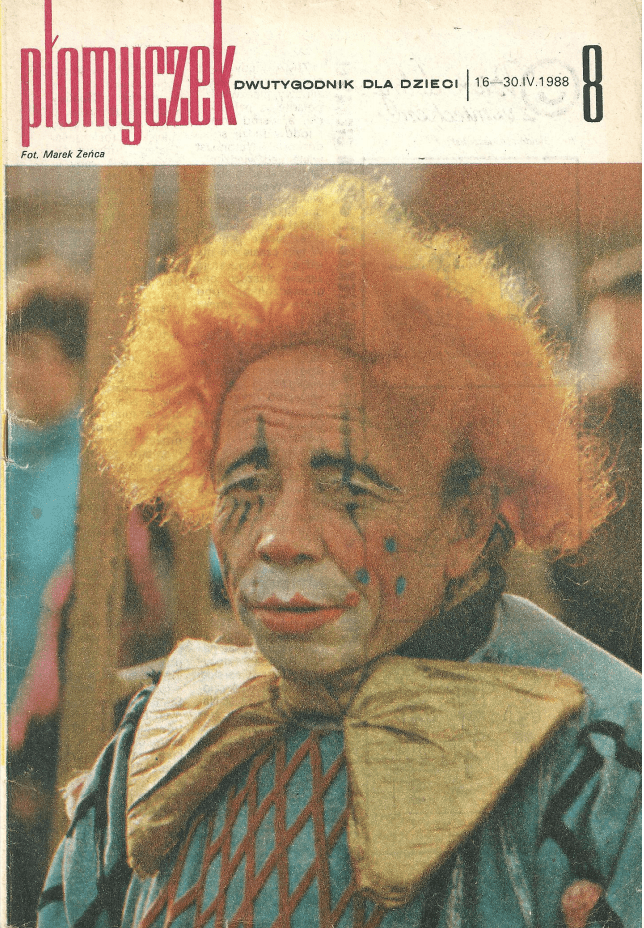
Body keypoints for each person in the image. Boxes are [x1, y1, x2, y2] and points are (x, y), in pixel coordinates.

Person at [37, 179, 640, 928]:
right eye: (246, 486)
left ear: (465, 523)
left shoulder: (608, 759)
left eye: (347, 489)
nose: (279, 537)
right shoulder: (155, 738)